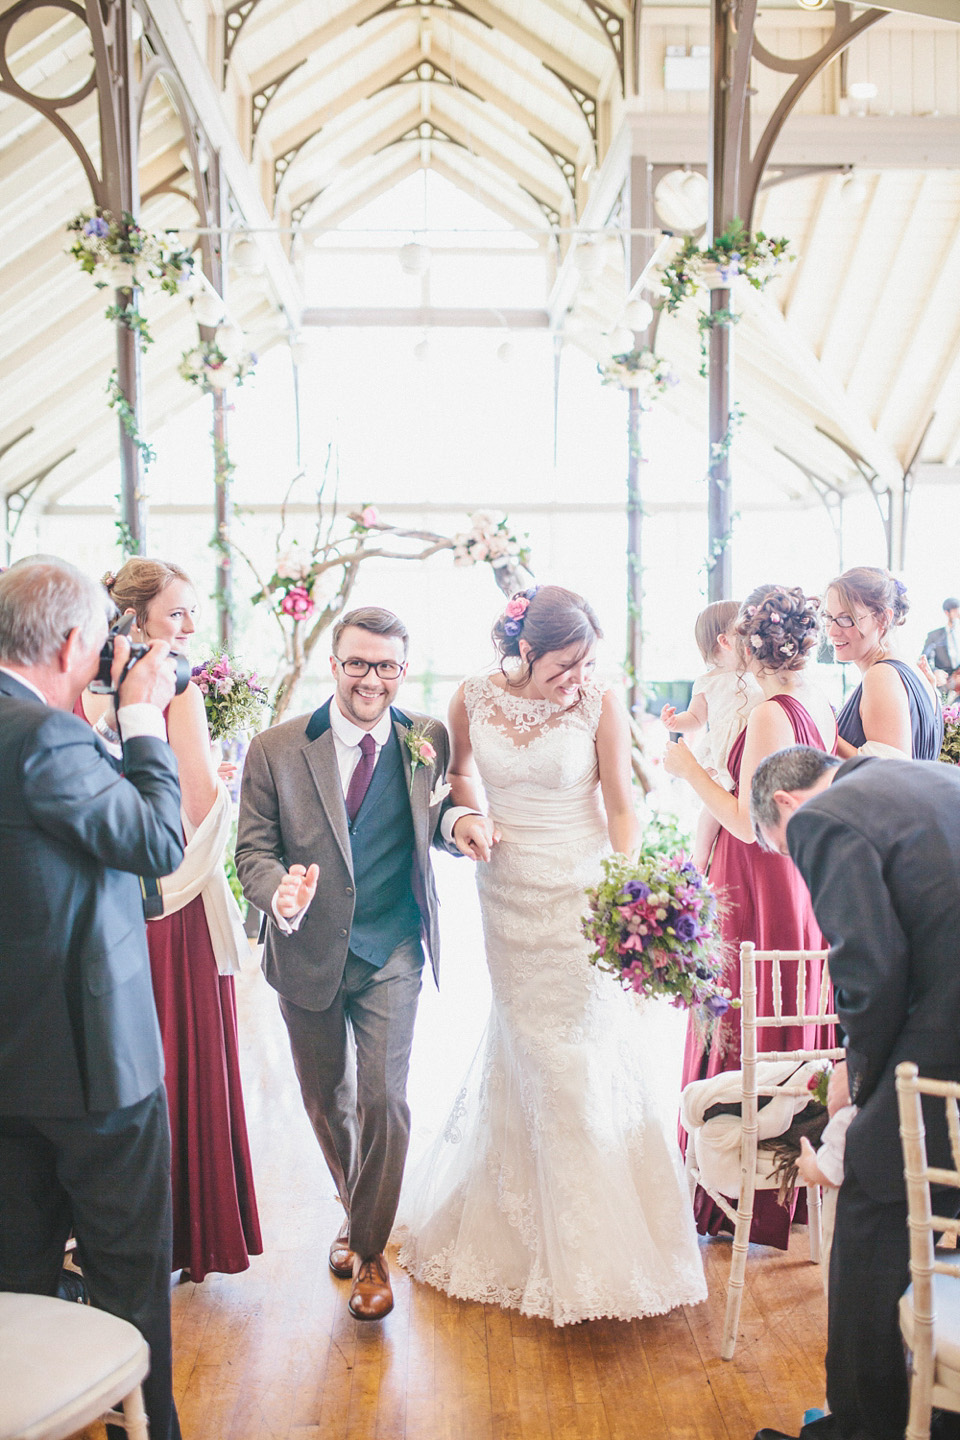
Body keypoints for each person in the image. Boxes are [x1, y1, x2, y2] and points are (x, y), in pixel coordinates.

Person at [396, 585, 707, 1324]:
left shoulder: (597, 700)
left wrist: (634, 888)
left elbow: (621, 802)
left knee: (580, 1052)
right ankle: (520, 1227)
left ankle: (598, 1242)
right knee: (529, 1048)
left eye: (586, 662)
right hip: (506, 888)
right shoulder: (471, 697)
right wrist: (474, 814)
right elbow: (458, 774)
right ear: (524, 650)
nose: (576, 676)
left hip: (582, 890)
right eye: (564, 664)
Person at [236, 606, 490, 1322]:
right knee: (329, 1102)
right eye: (357, 663)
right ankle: (356, 1209)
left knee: (385, 1098)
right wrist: (277, 890)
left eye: (386, 666)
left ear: (402, 670)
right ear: (334, 664)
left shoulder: (425, 739)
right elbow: (250, 849)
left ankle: (371, 1249)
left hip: (393, 946)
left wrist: (459, 825)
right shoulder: (276, 749)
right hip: (306, 948)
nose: (370, 679)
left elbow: (433, 818)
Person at [0, 556, 185, 1440]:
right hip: (90, 1067)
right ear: (75, 640)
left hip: (8, 1071)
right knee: (127, 1280)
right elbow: (155, 841)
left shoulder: (38, 731)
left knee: (15, 1283)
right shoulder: (41, 736)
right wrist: (144, 713)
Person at [749, 745, 960, 1440]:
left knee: (873, 1191)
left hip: (943, 1041)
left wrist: (855, 1081)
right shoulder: (927, 775)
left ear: (785, 807)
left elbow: (868, 969)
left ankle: (865, 1428)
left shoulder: (824, 819)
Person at [77, 557, 262, 1282]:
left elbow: (174, 807)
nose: (189, 628)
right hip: (134, 906)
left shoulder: (134, 690)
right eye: (177, 614)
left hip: (132, 906)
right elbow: (189, 805)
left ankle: (141, 1234)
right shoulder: (140, 687)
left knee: (136, 1069)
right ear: (132, 620)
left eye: (192, 613)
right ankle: (138, 1235)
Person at [664, 583, 838, 1249]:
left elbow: (751, 823)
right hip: (789, 883)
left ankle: (737, 1193)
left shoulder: (772, 712)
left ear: (751, 643)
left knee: (744, 1013)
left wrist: (687, 771)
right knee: (771, 1011)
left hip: (759, 880)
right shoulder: (813, 699)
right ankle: (773, 1192)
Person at [660, 599, 762, 870]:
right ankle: (701, 856)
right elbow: (696, 718)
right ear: (724, 641)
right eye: (746, 634)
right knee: (713, 803)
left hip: (752, 745)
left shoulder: (758, 672)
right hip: (723, 749)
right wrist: (675, 721)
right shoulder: (707, 681)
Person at [826, 567, 943, 760]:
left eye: (847, 619)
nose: (832, 631)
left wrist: (822, 727)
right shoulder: (912, 669)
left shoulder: (881, 675)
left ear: (883, 618)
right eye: (830, 618)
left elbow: (885, 772)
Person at [923, 594, 960, 695]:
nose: (959, 614)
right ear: (947, 612)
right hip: (944, 684)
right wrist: (935, 671)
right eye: (956, 611)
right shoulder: (934, 635)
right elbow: (924, 659)